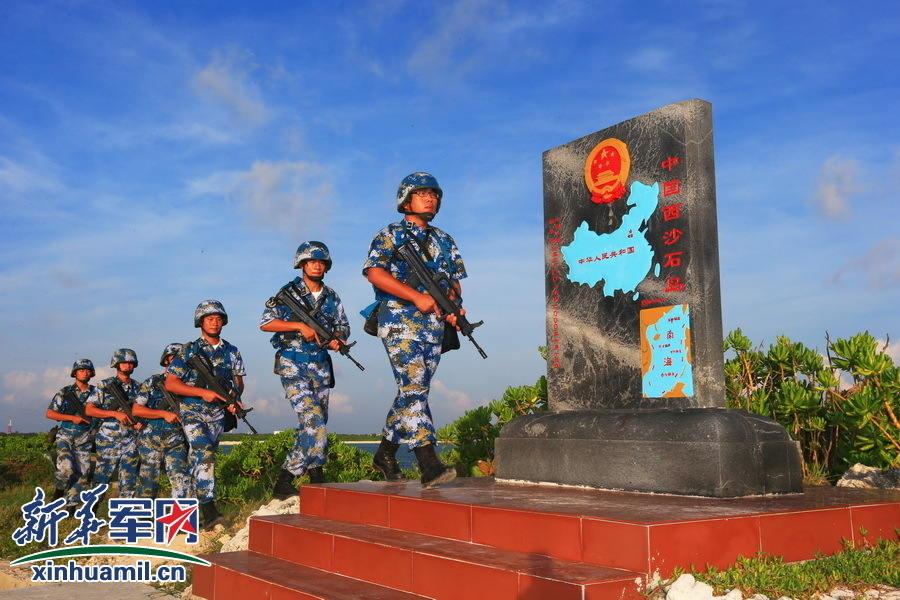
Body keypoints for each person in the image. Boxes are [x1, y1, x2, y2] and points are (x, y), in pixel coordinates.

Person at [362, 172, 467, 488]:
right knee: (414, 387)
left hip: (432, 326)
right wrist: (416, 297)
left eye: (434, 194)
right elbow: (374, 273)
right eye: (423, 193)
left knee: (413, 389)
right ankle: (427, 461)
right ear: (406, 199)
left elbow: (454, 282)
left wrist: (455, 308)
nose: (431, 198)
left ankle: (385, 453)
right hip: (398, 320)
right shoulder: (389, 234)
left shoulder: (444, 240)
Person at [261, 241, 350, 499]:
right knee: (314, 422)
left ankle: (285, 478)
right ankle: (317, 479)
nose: (316, 265)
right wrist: (299, 326)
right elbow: (266, 323)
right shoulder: (287, 293)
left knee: (314, 425)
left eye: (321, 262)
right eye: (312, 261)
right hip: (293, 364)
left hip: (320, 367)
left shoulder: (332, 297)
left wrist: (336, 339)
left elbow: (343, 327)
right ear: (301, 264)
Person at [166, 300, 245, 526]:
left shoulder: (232, 351)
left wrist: (234, 399)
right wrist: (202, 392)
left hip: (217, 414)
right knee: (205, 454)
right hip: (192, 411)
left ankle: (181, 515)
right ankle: (210, 512)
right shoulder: (189, 350)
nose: (215, 322)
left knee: (199, 462)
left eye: (218, 318)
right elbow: (171, 383)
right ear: (200, 322)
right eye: (209, 318)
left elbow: (238, 382)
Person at [132, 343, 192, 498]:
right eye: (174, 359)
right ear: (166, 361)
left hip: (176, 440)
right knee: (148, 484)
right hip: (150, 440)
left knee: (181, 482)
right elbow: (137, 409)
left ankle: (179, 520)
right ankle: (142, 520)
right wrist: (163, 414)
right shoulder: (153, 382)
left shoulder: (190, 385)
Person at [86, 348, 143, 498]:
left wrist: (140, 422)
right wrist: (114, 413)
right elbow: (90, 410)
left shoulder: (139, 387)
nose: (128, 365)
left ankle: (126, 517)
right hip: (108, 439)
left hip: (131, 439)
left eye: (131, 363)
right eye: (124, 362)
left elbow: (143, 410)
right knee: (101, 479)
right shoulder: (104, 385)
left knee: (129, 481)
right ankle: (89, 514)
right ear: (116, 364)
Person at [45, 359, 98, 510]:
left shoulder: (96, 392)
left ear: (92, 373)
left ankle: (70, 508)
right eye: (81, 370)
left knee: (82, 474)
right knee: (66, 467)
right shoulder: (65, 392)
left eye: (88, 370)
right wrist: (72, 418)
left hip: (85, 438)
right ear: (75, 373)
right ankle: (58, 493)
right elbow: (49, 413)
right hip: (65, 436)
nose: (85, 372)